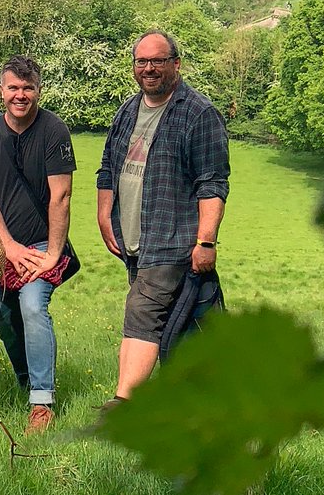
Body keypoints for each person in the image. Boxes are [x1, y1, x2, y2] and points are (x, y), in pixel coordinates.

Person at [95, 31, 229, 405]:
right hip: (134, 238)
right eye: (141, 61)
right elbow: (108, 167)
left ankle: (124, 403)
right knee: (174, 320)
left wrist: (205, 241)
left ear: (176, 64)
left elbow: (212, 184)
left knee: (142, 310)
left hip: (173, 237)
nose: (148, 68)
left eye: (157, 61)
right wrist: (105, 215)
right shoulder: (128, 110)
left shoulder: (200, 114)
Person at [0, 56, 76, 433]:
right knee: (4, 318)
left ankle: (42, 401)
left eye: (28, 88)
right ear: (0, 91)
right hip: (1, 246)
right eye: (13, 87)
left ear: (38, 90)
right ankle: (25, 378)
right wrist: (8, 247)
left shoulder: (54, 131)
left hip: (41, 244)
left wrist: (51, 255)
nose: (20, 95)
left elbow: (60, 197)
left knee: (32, 307)